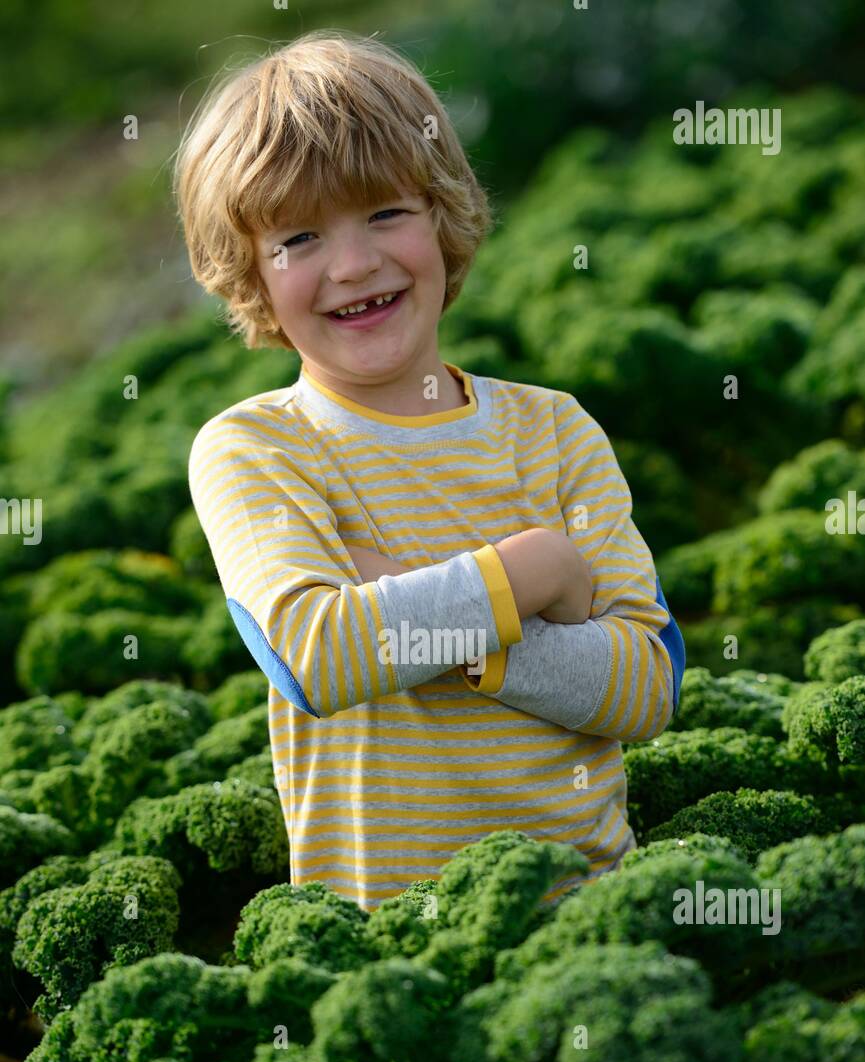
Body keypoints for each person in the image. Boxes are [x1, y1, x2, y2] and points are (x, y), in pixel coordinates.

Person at [174, 29, 685, 913]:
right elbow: (320, 658)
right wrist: (534, 572)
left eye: (385, 214)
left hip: (591, 906)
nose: (354, 263)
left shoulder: (553, 430)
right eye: (298, 237)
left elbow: (644, 686)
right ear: (251, 274)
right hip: (383, 938)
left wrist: (412, 608)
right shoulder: (253, 450)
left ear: (443, 216)